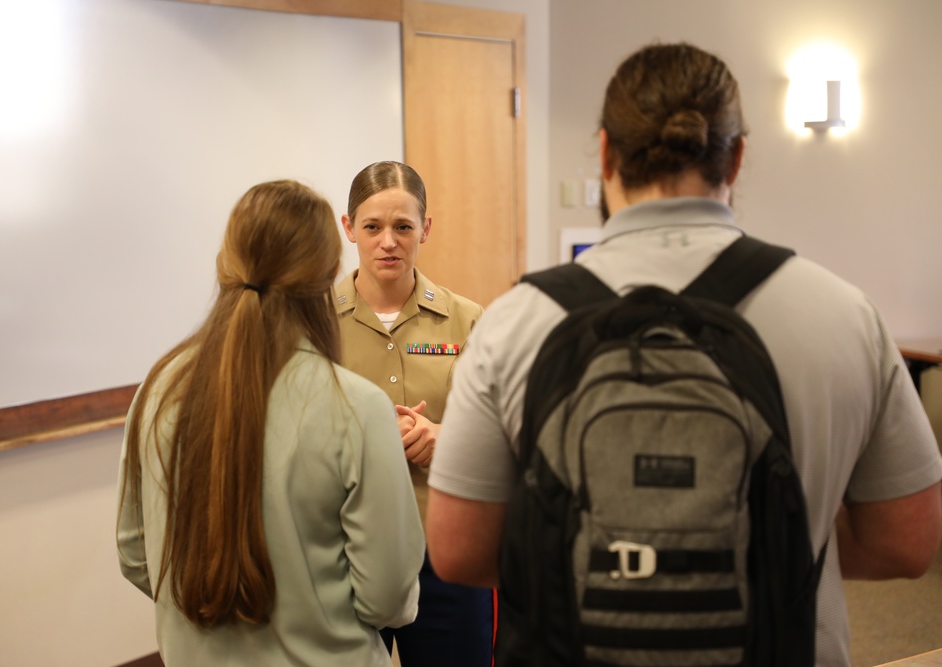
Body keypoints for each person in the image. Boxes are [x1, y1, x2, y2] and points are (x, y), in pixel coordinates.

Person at [425, 42, 942, 667]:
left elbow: (457, 552)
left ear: (607, 152)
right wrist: (759, 546)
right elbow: (907, 543)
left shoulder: (514, 320)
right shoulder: (844, 312)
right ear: (739, 158)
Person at [116, 180, 424, 667]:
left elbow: (136, 555)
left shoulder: (157, 390)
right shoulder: (357, 407)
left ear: (227, 263)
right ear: (328, 275)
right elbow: (387, 598)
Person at [334, 161, 493, 666]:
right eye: (373, 227)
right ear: (348, 228)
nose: (388, 242)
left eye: (403, 227)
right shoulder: (310, 320)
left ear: (425, 228)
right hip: (344, 550)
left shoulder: (469, 320)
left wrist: (445, 438)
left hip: (444, 550)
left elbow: (501, 435)